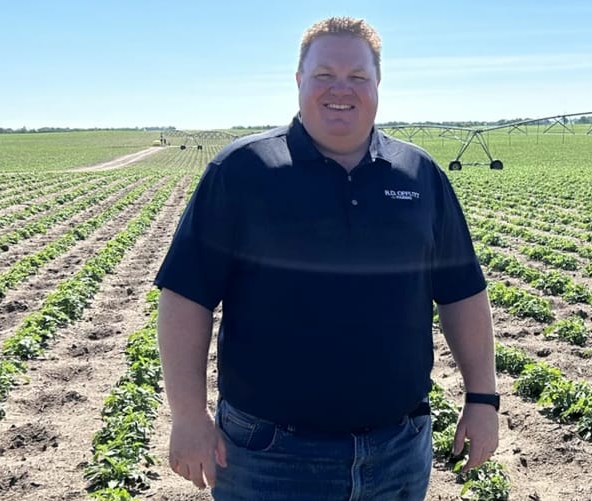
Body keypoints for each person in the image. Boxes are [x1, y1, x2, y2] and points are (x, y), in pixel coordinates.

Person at [155, 16, 498, 501]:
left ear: (378, 83)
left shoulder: (420, 174)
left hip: (398, 450)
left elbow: (462, 292)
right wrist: (188, 415)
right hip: (268, 456)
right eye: (324, 75)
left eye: (358, 76)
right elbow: (186, 297)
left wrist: (483, 398)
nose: (342, 89)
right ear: (299, 81)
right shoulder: (243, 170)